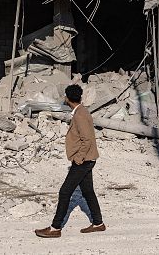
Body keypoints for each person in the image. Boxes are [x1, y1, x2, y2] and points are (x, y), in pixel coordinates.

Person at [35, 84, 106, 238]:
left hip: (84, 160)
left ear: (67, 99)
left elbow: (86, 139)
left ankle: (55, 228)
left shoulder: (79, 114)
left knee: (65, 192)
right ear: (79, 97)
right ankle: (98, 223)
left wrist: (78, 158)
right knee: (87, 191)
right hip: (88, 158)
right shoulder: (81, 110)